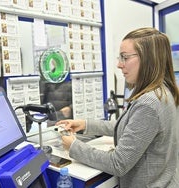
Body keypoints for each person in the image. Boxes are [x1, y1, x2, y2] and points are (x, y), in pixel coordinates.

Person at [56, 27, 179, 187]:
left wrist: (74, 146)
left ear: (148, 59)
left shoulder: (149, 103)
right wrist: (86, 124)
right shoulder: (163, 91)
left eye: (125, 57)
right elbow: (132, 127)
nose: (119, 65)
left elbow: (118, 164)